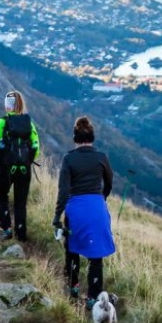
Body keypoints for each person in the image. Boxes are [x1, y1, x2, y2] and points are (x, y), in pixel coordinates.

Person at [52, 116, 115, 309]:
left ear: (75, 138)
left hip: (76, 209)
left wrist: (57, 217)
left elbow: (63, 191)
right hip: (97, 207)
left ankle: (73, 287)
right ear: (92, 137)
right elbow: (109, 182)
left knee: (72, 248)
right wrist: (101, 198)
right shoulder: (101, 157)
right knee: (96, 255)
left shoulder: (69, 159)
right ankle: (93, 298)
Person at [0, 90, 40, 242]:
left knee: (2, 196)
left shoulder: (0, 123)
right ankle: (21, 233)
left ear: (7, 105)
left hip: (5, 167)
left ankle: (7, 229)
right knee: (20, 202)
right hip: (24, 168)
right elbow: (36, 147)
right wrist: (28, 159)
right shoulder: (29, 124)